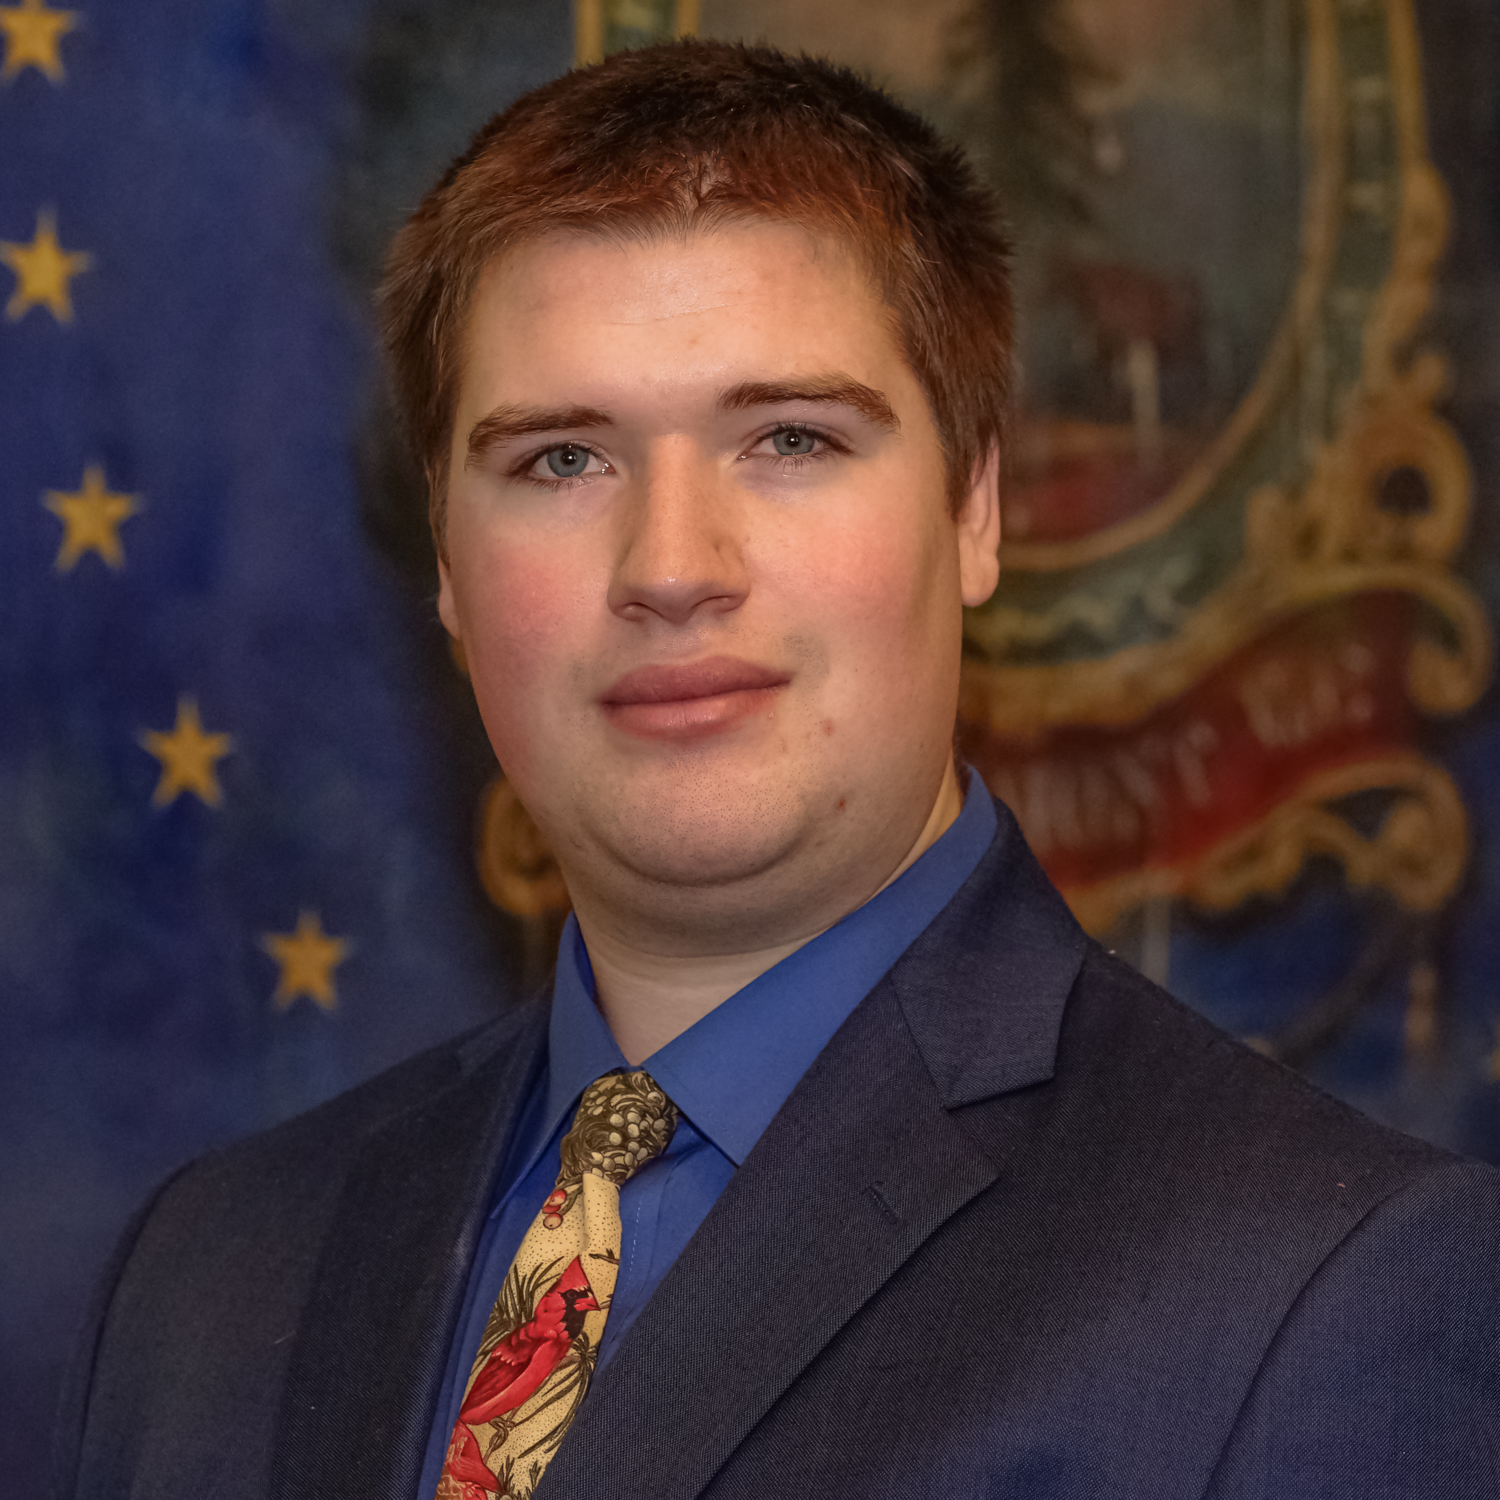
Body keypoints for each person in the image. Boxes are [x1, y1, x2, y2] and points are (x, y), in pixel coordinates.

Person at [55, 40, 1498, 1500]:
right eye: (561, 459)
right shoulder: (206, 1281)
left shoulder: (1324, 1294)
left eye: (789, 439)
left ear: (975, 506)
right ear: (444, 554)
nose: (672, 565)